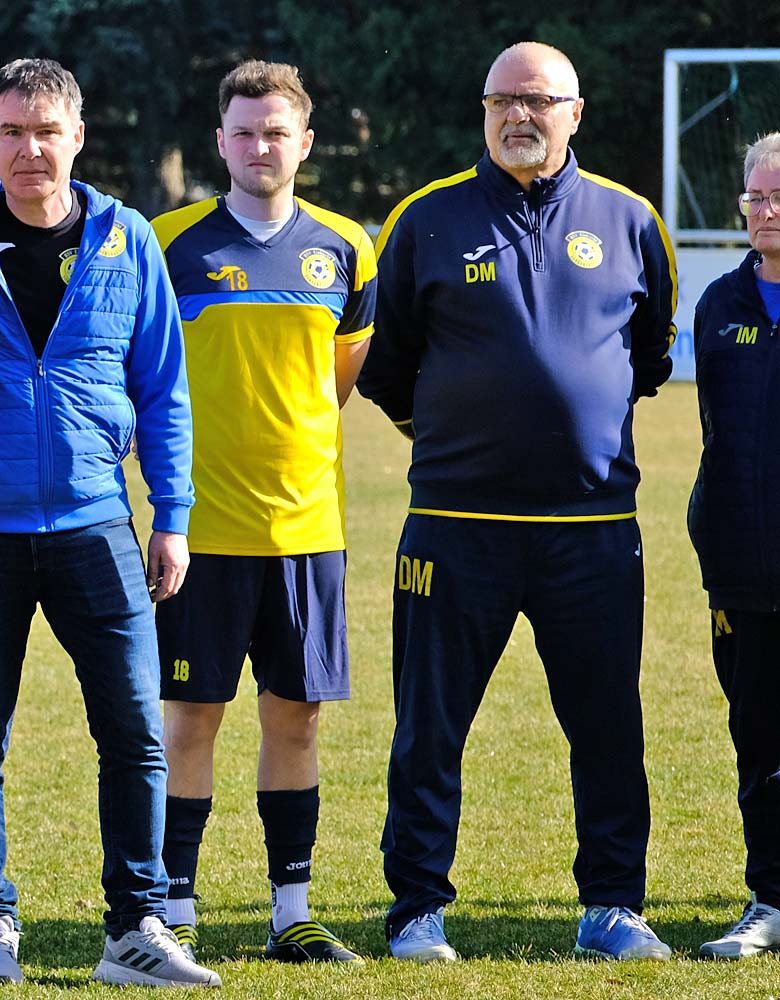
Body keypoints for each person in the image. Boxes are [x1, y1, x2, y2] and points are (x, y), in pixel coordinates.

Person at [356, 40, 677, 963]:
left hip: (592, 528)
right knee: (430, 725)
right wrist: (464, 442)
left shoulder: (631, 218)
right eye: (502, 100)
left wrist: (565, 420)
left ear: (575, 112)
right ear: (484, 111)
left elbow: (647, 355)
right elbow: (386, 365)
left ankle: (612, 906)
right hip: (457, 528)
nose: (518, 116)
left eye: (537, 100)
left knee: (608, 724)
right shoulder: (425, 218)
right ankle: (417, 908)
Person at [0, 58, 219, 988]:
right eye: (12, 132)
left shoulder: (127, 240)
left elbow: (164, 388)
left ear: (78, 137)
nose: (30, 150)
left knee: (135, 732)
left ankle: (136, 926)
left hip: (98, 524)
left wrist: (171, 516)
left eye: (47, 131)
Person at [150, 59, 372, 965]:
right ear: (220, 142)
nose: (259, 146)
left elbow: (338, 380)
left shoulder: (346, 248)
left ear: (305, 142)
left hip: (308, 531)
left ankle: (292, 912)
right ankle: (176, 909)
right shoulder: (168, 242)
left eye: (276, 131)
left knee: (297, 719)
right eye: (243, 131)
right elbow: (144, 378)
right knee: (189, 721)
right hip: (199, 533)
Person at [686, 130, 780, 960]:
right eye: (757, 196)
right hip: (744, 573)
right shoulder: (718, 303)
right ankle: (770, 898)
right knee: (759, 740)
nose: (767, 210)